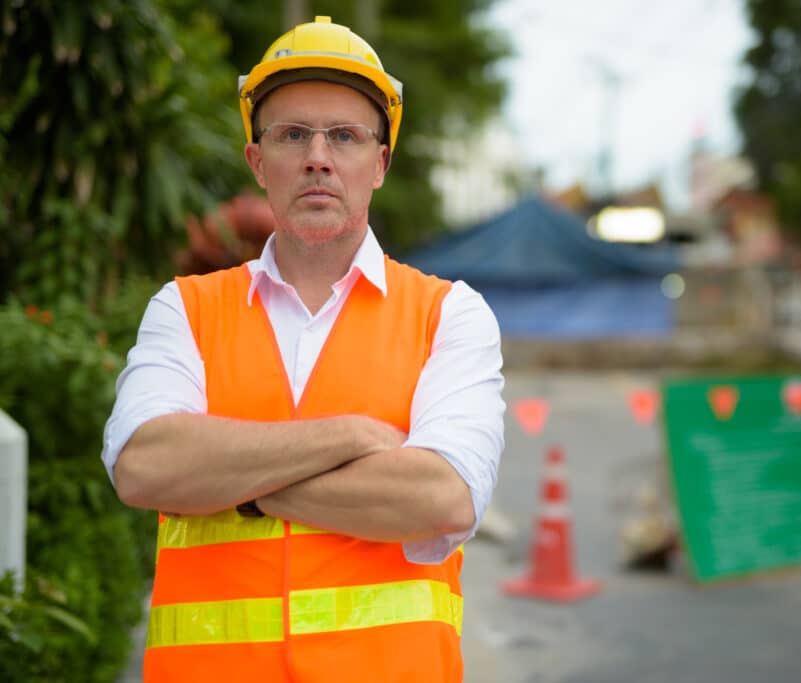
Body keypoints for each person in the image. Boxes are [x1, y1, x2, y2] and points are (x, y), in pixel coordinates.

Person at [102, 16, 505, 683]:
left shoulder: (449, 315)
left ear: (380, 163)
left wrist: (242, 485)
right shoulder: (184, 309)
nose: (318, 156)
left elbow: (442, 497)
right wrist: (350, 435)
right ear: (258, 162)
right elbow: (144, 466)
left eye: (344, 136)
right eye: (292, 134)